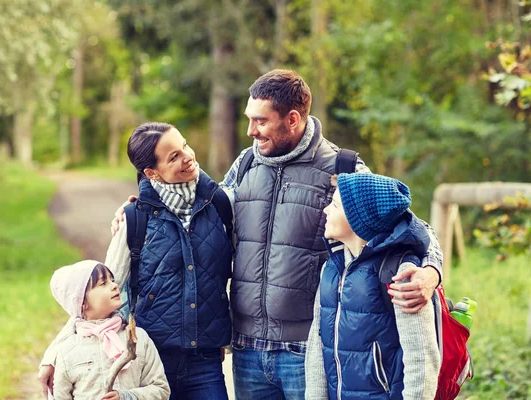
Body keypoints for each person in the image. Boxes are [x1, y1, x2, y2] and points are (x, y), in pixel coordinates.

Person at [109, 69, 443, 399]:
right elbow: (198, 213)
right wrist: (139, 209)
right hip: (247, 351)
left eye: (261, 121)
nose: (250, 131)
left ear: (293, 119)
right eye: (249, 119)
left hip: (306, 352)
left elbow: (413, 228)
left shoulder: (343, 169)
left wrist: (431, 273)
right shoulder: (245, 165)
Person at [39, 122, 234, 400]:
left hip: (206, 361)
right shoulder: (134, 219)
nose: (187, 156)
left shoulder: (221, 205)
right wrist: (53, 354)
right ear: (151, 172)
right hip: (148, 362)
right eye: (173, 157)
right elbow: (100, 297)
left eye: (185, 146)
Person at [304, 173, 441, 399]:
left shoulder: (402, 273)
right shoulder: (331, 268)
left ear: (359, 220)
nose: (326, 210)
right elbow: (316, 349)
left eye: (335, 205)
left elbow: (422, 360)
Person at [49, 259, 170, 400]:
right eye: (103, 283)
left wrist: (127, 397)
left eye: (112, 280)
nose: (114, 285)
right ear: (82, 302)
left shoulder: (138, 338)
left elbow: (161, 390)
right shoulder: (68, 351)